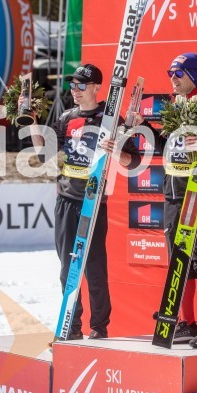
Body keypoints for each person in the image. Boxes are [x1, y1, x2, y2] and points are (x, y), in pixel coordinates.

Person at [31, 63, 139, 340]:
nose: (75, 91)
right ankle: (72, 327)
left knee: (94, 267)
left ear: (95, 88)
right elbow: (45, 154)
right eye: (72, 85)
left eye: (81, 86)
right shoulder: (67, 117)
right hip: (67, 200)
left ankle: (99, 327)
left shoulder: (111, 118)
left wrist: (117, 152)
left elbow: (133, 160)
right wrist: (31, 120)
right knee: (67, 267)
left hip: (93, 201)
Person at [131, 53, 197, 349]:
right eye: (170, 72)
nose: (172, 77)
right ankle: (188, 323)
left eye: (179, 73)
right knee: (179, 262)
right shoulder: (175, 107)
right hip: (172, 194)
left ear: (194, 77)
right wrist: (144, 125)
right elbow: (164, 147)